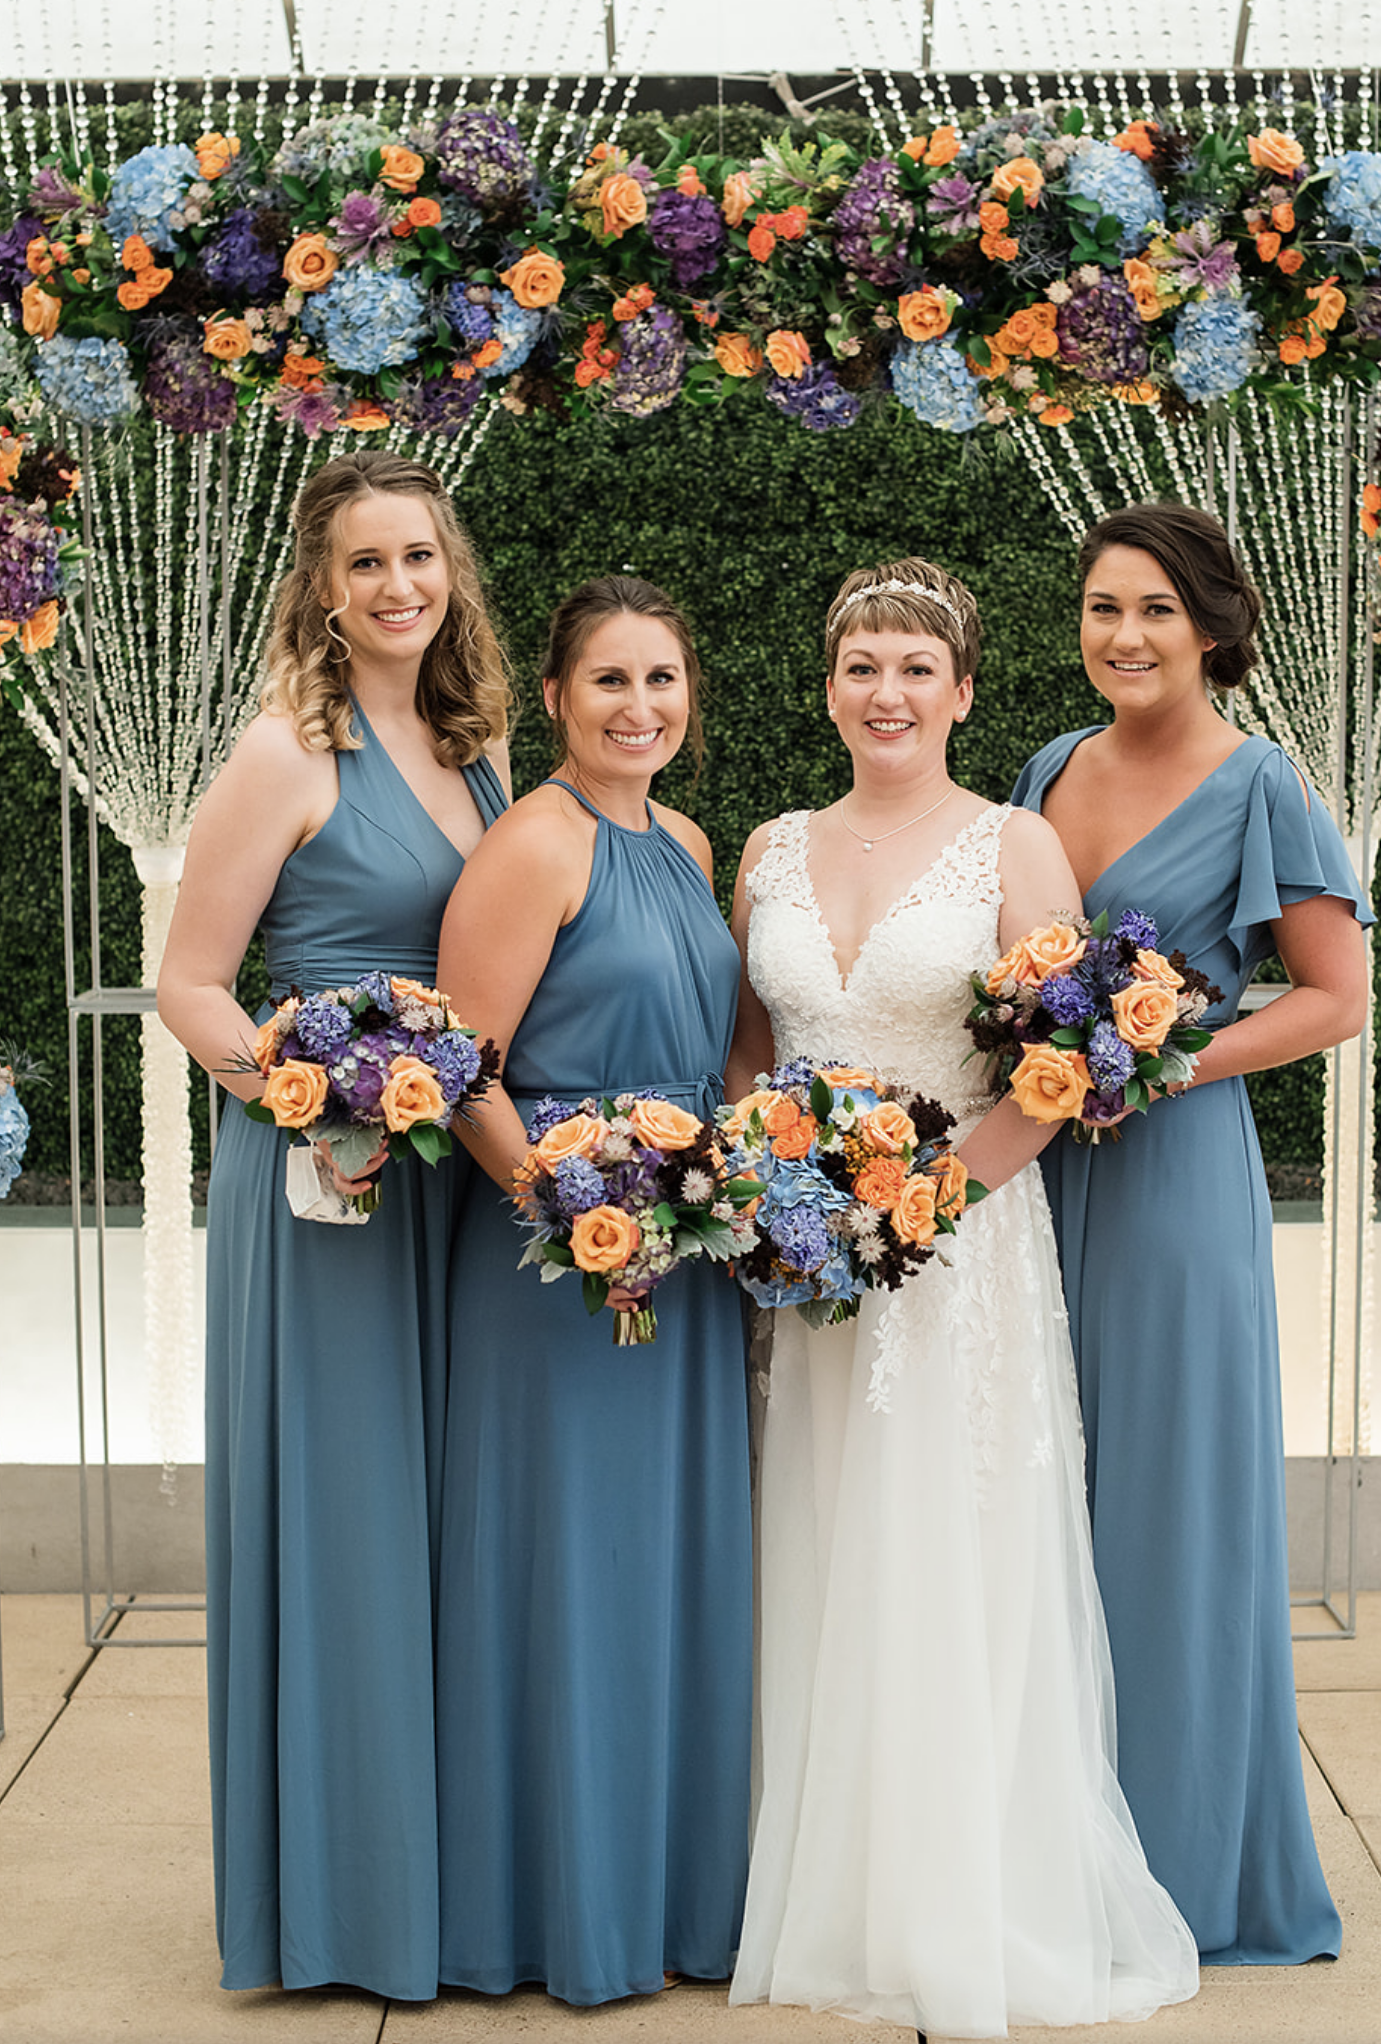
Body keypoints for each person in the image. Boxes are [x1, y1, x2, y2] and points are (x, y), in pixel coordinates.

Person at [726, 557, 1199, 2038]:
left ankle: (964, 1894)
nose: (888, 690)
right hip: (808, 1257)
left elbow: (1053, 1077)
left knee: (949, 1547)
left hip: (959, 1248)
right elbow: (749, 1049)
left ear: (966, 691)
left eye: (917, 667)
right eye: (863, 663)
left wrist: (921, 1206)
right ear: (829, 685)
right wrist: (778, 1199)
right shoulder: (770, 849)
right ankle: (836, 1884)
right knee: (821, 1536)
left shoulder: (1016, 847)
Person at [156, 449, 511, 1998]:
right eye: (366, 564)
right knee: (348, 1527)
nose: (397, 589)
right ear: (321, 586)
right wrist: (302, 1092)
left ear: (452, 575)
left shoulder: (477, 752)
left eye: (419, 559)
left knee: (439, 1530)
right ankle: (342, 1912)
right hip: (320, 1191)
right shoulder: (280, 758)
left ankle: (436, 1874)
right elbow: (190, 984)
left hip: (446, 1180)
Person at [1013, 501, 1371, 1964]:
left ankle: (1193, 1869)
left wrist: (1162, 1059)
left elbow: (1334, 998)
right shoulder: (1046, 768)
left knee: (1167, 1509)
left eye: (1156, 610)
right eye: (1105, 608)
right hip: (1043, 1171)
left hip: (1172, 1186)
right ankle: (1056, 1855)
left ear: (1211, 629)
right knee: (1048, 1501)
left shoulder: (1263, 783)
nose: (1127, 636)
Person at [432, 575, 751, 2005]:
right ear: (552, 700)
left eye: (662, 681)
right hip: (558, 1274)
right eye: (609, 682)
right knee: (567, 1578)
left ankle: (681, 1903)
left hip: (686, 1258)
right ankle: (557, 1914)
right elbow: (462, 1069)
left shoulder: (683, 839)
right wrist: (572, 1214)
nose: (639, 708)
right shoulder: (530, 843)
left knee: (671, 1574)